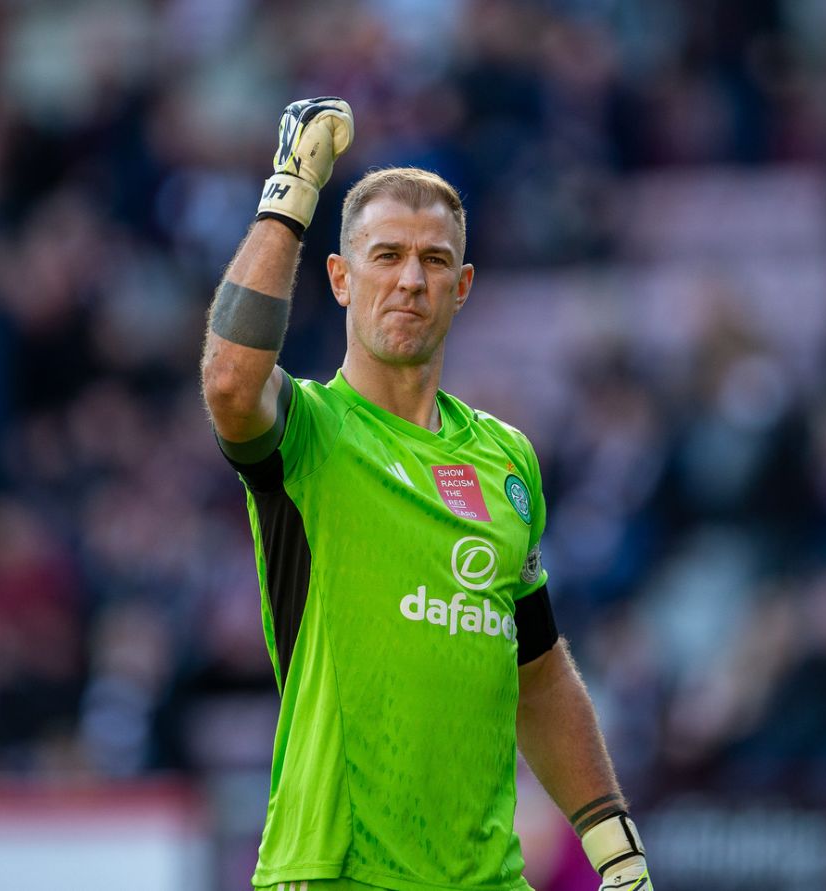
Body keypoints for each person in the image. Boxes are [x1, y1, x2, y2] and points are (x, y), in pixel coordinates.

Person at [200, 97, 653, 891]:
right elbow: (232, 383)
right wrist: (290, 193)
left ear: (463, 285)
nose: (411, 279)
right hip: (337, 873)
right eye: (386, 255)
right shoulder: (310, 431)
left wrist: (616, 846)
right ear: (340, 278)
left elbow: (538, 669)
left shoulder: (506, 458)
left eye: (435, 261)